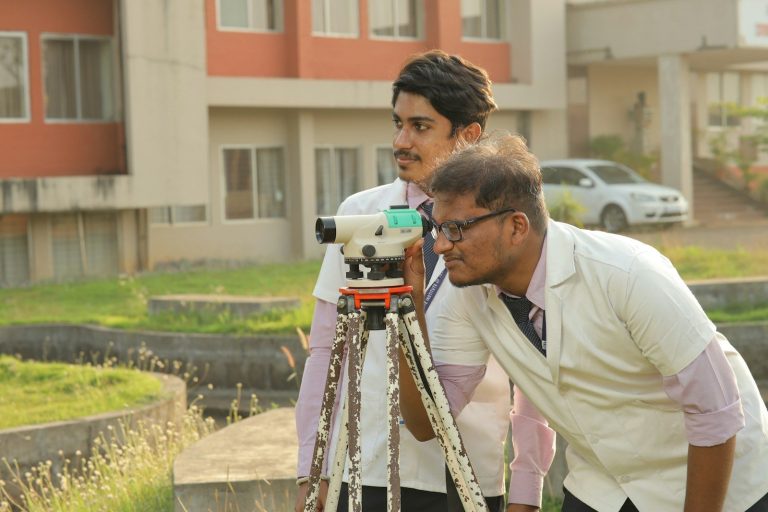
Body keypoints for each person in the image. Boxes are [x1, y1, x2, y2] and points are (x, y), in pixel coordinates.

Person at [398, 132, 768, 511]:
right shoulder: (468, 294)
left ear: (516, 227)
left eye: (456, 229)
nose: (441, 245)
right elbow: (429, 423)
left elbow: (716, 410)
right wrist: (408, 307)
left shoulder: (627, 273)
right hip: (604, 480)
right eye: (438, 228)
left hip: (716, 474)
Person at [294, 52, 554, 512]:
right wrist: (311, 469)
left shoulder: (507, 228)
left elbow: (535, 367)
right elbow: (324, 351)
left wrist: (528, 488)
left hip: (466, 473)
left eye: (420, 126)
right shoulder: (357, 216)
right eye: (397, 124)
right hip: (363, 470)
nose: (401, 140)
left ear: (468, 136)